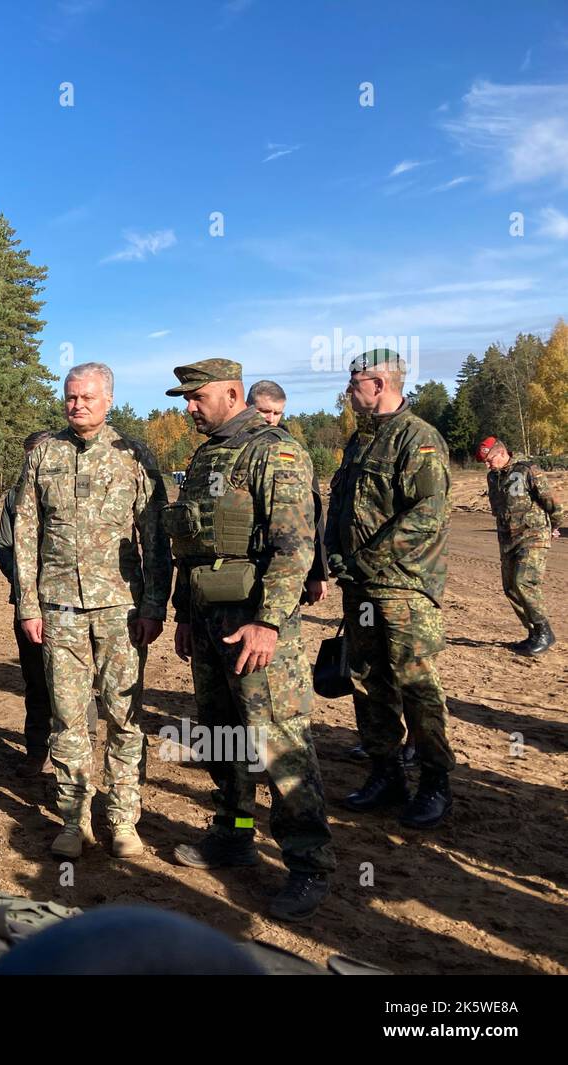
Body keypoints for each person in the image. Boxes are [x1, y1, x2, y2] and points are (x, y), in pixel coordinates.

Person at [165, 359, 336, 921]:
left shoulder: (274, 450)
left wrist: (267, 620)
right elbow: (189, 542)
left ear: (232, 393)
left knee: (277, 740)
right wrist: (183, 615)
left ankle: (309, 862)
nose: (189, 407)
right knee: (223, 736)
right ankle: (234, 831)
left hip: (258, 623)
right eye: (185, 398)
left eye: (197, 397)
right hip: (209, 619)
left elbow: (294, 547)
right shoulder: (204, 456)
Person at [14, 362, 172, 861]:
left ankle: (123, 819)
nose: (76, 404)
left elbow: (156, 538)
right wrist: (27, 603)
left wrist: (154, 604)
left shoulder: (134, 456)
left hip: (120, 609)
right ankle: (73, 819)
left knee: (124, 717)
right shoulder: (44, 454)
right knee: (67, 719)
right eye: (70, 396)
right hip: (58, 608)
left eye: (87, 397)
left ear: (108, 400)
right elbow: (25, 533)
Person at [326, 348, 454, 829]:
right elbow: (342, 506)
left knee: (416, 683)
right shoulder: (359, 442)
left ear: (379, 384)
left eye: (354, 382)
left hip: (404, 587)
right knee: (367, 679)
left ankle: (434, 782)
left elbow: (427, 513)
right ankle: (385, 773)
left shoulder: (418, 439)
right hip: (360, 588)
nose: (349, 390)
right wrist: (332, 554)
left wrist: (366, 558)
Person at [0, 429, 98, 777]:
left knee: (79, 679)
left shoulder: (80, 486)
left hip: (72, 602)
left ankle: (87, 743)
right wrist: (28, 587)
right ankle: (37, 749)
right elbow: (4, 549)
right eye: (31, 457)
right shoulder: (15, 497)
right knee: (37, 680)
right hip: (30, 605)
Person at [477, 436, 563, 655]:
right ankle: (533, 633)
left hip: (533, 534)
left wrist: (552, 526)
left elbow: (552, 502)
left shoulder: (528, 470)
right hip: (507, 538)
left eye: (488, 460)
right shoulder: (492, 477)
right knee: (511, 588)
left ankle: (545, 632)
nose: (487, 465)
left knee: (523, 581)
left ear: (501, 453)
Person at [248, 380, 328, 606]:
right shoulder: (234, 446)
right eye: (263, 411)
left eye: (277, 413)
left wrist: (317, 574)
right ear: (247, 406)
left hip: (281, 568)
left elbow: (313, 514)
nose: (270, 418)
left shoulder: (291, 451)